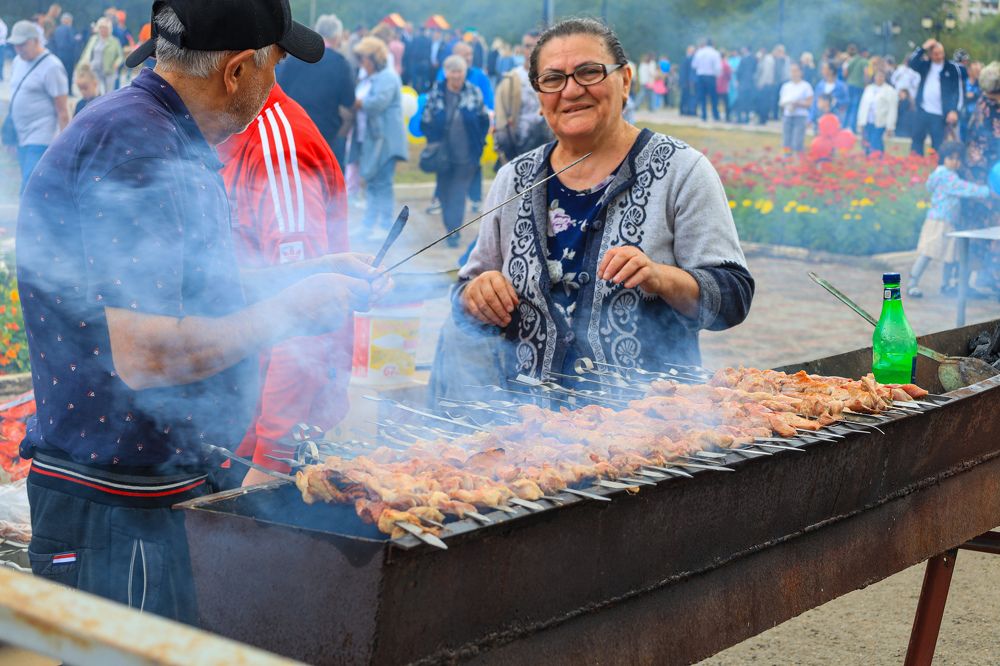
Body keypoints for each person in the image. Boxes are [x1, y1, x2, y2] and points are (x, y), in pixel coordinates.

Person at [16, 0, 379, 623]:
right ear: (237, 71)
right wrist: (287, 311)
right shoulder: (139, 149)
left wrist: (304, 274)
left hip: (154, 490)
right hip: (120, 507)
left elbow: (189, 292)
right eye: (273, 66)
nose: (274, 84)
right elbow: (147, 353)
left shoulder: (160, 130)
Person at [430, 18, 753, 400]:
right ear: (539, 94)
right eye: (553, 79)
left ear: (625, 80)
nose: (571, 90)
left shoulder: (681, 170)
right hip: (525, 422)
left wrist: (661, 277)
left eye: (589, 72)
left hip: (650, 421)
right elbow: (467, 291)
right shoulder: (514, 178)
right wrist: (476, 296)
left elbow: (732, 297)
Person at [218, 82, 356, 485]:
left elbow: (304, 317)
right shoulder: (222, 131)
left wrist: (271, 457)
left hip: (262, 442)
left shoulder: (279, 147)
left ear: (232, 69)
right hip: (231, 424)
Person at [420, 55, 490, 246]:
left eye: (460, 71)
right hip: (443, 155)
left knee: (459, 192)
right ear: (446, 73)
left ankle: (454, 231)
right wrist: (434, 141)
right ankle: (449, 226)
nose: (457, 75)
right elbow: (426, 120)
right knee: (444, 192)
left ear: (465, 73)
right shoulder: (437, 92)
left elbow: (483, 119)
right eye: (453, 71)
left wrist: (479, 143)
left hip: (467, 154)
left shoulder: (473, 92)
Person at [908, 142, 991, 297]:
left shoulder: (942, 173)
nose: (955, 162)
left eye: (958, 159)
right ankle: (912, 283)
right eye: (951, 158)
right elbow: (964, 188)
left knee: (949, 254)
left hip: (948, 221)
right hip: (939, 221)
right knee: (929, 252)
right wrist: (987, 191)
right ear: (943, 158)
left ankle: (945, 285)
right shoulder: (946, 176)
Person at [277, 13, 355, 168]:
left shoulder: (295, 58)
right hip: (325, 133)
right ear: (337, 37)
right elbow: (349, 101)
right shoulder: (341, 64)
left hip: (293, 129)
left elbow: (279, 88)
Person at [351, 36, 408, 235]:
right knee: (373, 183)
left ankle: (385, 226)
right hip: (373, 140)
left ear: (374, 58)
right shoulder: (370, 78)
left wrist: (358, 103)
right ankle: (368, 225)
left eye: (364, 58)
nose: (361, 63)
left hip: (386, 141)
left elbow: (377, 103)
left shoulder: (388, 77)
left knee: (383, 184)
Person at [6, 19, 69, 192]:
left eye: (23, 44)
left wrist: (65, 145)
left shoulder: (52, 67)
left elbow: (62, 111)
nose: (18, 49)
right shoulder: (18, 62)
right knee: (33, 185)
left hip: (41, 137)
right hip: (21, 136)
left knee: (29, 186)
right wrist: (10, 135)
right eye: (16, 45)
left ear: (35, 40)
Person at [494, 30, 549, 165]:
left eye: (536, 46)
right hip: (518, 148)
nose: (532, 50)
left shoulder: (555, 77)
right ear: (522, 49)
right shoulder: (511, 80)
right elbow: (501, 117)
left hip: (547, 146)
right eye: (528, 46)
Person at [908, 38, 963, 157]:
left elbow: (957, 92)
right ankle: (915, 162)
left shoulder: (951, 68)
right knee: (917, 139)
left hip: (940, 113)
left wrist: (954, 110)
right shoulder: (925, 65)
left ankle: (935, 163)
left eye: (941, 53)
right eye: (935, 54)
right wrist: (923, 47)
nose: (939, 56)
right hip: (923, 109)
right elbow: (912, 63)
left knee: (937, 143)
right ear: (930, 55)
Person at [78, 16, 124, 94]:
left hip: (109, 70)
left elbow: (120, 56)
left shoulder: (115, 41)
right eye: (101, 27)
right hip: (94, 70)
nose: (103, 30)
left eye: (105, 28)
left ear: (109, 29)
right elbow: (86, 52)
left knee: (108, 93)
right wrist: (83, 63)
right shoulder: (93, 39)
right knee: (97, 92)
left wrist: (116, 63)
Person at [858, 68, 897, 156]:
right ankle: (867, 159)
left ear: (884, 78)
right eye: (877, 76)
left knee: (876, 142)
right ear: (874, 77)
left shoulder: (890, 91)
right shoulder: (869, 88)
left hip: (880, 122)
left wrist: (890, 126)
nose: (879, 78)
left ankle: (878, 159)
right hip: (867, 121)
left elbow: (892, 110)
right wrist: (860, 121)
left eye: (881, 76)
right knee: (866, 142)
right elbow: (862, 106)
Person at [778, 63, 813, 154]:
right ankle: (787, 157)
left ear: (800, 72)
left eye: (796, 71)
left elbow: (809, 103)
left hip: (800, 116)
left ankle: (798, 158)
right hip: (788, 115)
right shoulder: (786, 86)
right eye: (792, 71)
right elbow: (781, 102)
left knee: (797, 141)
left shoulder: (806, 86)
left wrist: (798, 104)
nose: (793, 73)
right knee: (786, 140)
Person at [692, 38, 722, 121]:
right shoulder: (715, 53)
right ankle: (715, 115)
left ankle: (704, 115)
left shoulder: (699, 52)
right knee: (713, 97)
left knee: (702, 97)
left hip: (701, 76)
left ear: (705, 44)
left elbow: (694, 65)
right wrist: (717, 75)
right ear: (713, 44)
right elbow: (717, 67)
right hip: (711, 77)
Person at [811, 61, 848, 126]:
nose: (822, 71)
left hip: (835, 118)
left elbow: (846, 102)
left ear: (831, 71)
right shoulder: (820, 86)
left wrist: (835, 102)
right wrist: (811, 118)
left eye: (824, 69)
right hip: (820, 118)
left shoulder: (841, 86)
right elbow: (815, 102)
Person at [842, 43, 868, 132]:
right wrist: (866, 84)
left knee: (848, 106)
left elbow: (845, 73)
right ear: (864, 53)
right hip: (859, 86)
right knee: (855, 107)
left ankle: (844, 125)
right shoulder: (864, 61)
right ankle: (853, 128)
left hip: (849, 85)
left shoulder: (851, 60)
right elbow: (866, 73)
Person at [734, 46, 756, 123]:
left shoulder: (743, 59)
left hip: (743, 83)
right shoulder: (754, 59)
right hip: (751, 83)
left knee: (740, 101)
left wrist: (737, 81)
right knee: (748, 101)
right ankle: (746, 118)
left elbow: (739, 71)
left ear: (746, 50)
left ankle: (739, 118)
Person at [754, 46, 775, 124]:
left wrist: (760, 84)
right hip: (767, 84)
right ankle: (763, 118)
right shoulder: (767, 59)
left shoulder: (767, 61)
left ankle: (762, 119)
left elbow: (765, 74)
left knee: (763, 103)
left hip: (765, 85)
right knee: (764, 103)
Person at [679, 45, 696, 116]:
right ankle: (683, 110)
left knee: (689, 96)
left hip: (688, 81)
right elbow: (684, 72)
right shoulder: (687, 59)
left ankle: (688, 110)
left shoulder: (690, 59)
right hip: (686, 81)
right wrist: (685, 81)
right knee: (685, 96)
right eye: (692, 51)